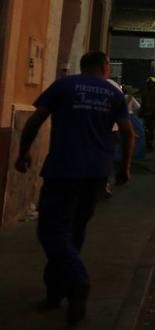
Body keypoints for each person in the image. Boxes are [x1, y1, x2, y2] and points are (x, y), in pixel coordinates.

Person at [14, 50, 134, 326]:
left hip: (63, 169)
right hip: (95, 173)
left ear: (83, 66)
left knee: (51, 230)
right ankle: (57, 294)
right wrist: (124, 169)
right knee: (74, 232)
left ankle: (76, 281)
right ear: (105, 67)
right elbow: (128, 133)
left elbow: (35, 120)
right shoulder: (113, 93)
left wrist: (23, 152)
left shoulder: (64, 86)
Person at [139, 77, 155, 151]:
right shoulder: (146, 92)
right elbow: (143, 103)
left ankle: (151, 145)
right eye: (149, 83)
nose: (150, 85)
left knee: (153, 131)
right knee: (146, 130)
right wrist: (142, 111)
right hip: (147, 114)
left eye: (152, 84)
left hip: (154, 114)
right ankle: (147, 144)